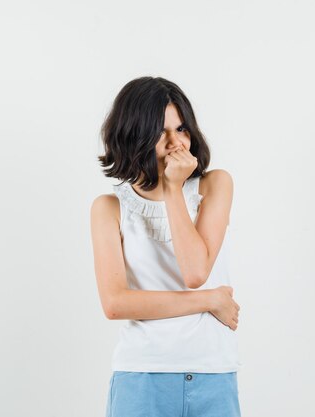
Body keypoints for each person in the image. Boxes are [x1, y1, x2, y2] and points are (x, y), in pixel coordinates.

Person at [90, 76, 242, 417]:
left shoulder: (215, 185)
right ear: (134, 135)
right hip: (141, 377)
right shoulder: (109, 208)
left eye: (182, 129)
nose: (177, 144)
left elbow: (194, 270)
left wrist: (173, 189)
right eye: (162, 133)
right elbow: (115, 304)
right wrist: (210, 300)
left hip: (212, 373)